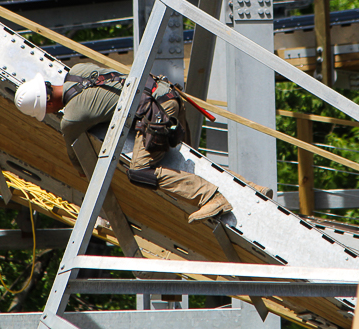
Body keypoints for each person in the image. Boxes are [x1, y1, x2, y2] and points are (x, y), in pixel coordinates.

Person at [14, 63, 273, 224]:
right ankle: (251, 190)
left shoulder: (70, 119)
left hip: (158, 116)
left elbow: (80, 162)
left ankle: (211, 197)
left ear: (47, 104)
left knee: (139, 172)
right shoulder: (78, 70)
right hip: (168, 94)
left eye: (45, 112)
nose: (49, 115)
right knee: (189, 166)